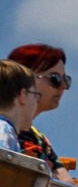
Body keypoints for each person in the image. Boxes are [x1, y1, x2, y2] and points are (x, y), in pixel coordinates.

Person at [5, 44, 72, 175]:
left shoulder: (38, 138)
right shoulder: (5, 129)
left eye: (66, 80)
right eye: (55, 79)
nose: (63, 86)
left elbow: (66, 184)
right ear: (23, 78)